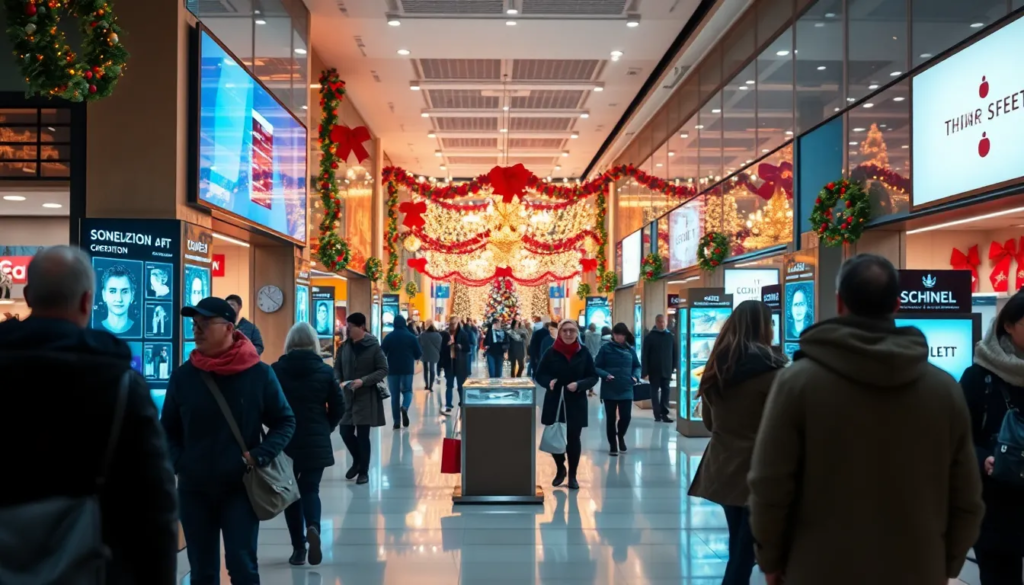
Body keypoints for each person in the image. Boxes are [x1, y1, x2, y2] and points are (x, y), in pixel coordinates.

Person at [748, 254, 984, 585]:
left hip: (818, 567)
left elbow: (769, 483)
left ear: (839, 302)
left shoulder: (798, 383)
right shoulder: (943, 389)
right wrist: (946, 564)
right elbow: (967, 498)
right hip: (917, 568)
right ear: (898, 304)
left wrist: (770, 559)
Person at [0, 246, 178, 584]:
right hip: (96, 563)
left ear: (27, 295)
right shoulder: (121, 383)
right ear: (87, 301)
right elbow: (155, 500)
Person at [162, 296, 296, 585]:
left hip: (241, 488)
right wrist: (181, 463)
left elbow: (285, 421)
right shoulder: (184, 376)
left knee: (242, 565)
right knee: (202, 571)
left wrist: (259, 455)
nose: (196, 330)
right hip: (194, 489)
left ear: (228, 327)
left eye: (205, 323)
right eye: (194, 324)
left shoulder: (259, 374)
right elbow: (167, 429)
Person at [687, 300, 786, 585]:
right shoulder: (774, 370)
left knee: (739, 546)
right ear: (764, 327)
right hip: (761, 470)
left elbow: (709, 422)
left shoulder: (717, 366)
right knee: (745, 554)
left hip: (723, 467)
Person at [960, 290, 1024, 584]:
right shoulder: (978, 376)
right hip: (997, 508)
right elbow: (958, 438)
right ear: (1008, 325)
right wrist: (983, 458)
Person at [272, 322, 344, 567]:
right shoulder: (325, 371)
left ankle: (298, 549)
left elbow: (268, 406)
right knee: (310, 488)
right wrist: (327, 427)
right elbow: (339, 406)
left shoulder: (276, 370)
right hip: (315, 438)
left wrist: (273, 430)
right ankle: (313, 524)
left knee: (291, 494)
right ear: (314, 342)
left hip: (286, 440)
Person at [534, 320, 598, 490]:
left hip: (576, 401)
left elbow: (593, 376)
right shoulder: (551, 352)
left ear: (577, 333)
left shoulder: (583, 352)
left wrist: (580, 385)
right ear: (560, 333)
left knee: (573, 438)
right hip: (555, 400)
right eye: (565, 331)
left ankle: (573, 475)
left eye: (572, 331)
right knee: (555, 436)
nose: (568, 334)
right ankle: (560, 467)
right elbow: (539, 374)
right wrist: (549, 382)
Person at [334, 313, 388, 484]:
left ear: (361, 327)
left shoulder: (373, 347)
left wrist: (363, 381)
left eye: (351, 327)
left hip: (366, 397)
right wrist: (338, 381)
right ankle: (357, 461)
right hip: (347, 396)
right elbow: (337, 367)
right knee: (345, 432)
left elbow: (383, 369)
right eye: (347, 327)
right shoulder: (344, 347)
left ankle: (363, 471)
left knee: (363, 435)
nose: (347, 330)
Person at [594, 322, 641, 456]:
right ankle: (612, 444)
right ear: (613, 335)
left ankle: (620, 436)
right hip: (610, 388)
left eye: (621, 335)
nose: (619, 337)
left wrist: (635, 377)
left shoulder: (630, 350)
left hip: (626, 387)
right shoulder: (605, 349)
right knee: (610, 418)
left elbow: (637, 366)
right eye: (616, 334)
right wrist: (605, 375)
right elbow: (596, 366)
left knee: (626, 417)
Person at [380, 315, 422, 429]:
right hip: (407, 369)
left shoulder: (389, 337)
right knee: (407, 391)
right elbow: (418, 353)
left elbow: (381, 352)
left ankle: (397, 422)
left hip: (392, 369)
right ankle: (404, 407)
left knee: (395, 395)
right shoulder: (411, 337)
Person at [641, 314, 678, 423]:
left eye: (663, 322)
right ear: (656, 323)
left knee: (666, 391)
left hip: (667, 369)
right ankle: (657, 413)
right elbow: (645, 355)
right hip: (654, 370)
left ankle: (664, 413)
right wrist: (645, 371)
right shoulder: (650, 337)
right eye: (659, 322)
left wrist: (674, 367)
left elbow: (674, 353)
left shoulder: (670, 336)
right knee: (654, 391)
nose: (662, 324)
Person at [440, 316, 471, 414]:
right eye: (451, 324)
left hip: (460, 363)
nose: (452, 326)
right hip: (449, 363)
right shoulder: (445, 334)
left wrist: (459, 346)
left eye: (454, 323)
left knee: (460, 385)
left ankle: (462, 402)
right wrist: (447, 345)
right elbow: (441, 349)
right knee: (449, 385)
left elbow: (467, 348)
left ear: (458, 323)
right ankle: (448, 405)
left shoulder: (463, 334)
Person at [99, 264, 137, 334]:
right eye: (112, 291)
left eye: (125, 292)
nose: (119, 299)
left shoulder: (139, 329)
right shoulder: (95, 331)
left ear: (132, 295)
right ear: (104, 295)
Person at [419, 323, 442, 392]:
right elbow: (440, 345)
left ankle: (426, 384)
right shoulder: (438, 335)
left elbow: (419, 342)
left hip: (424, 353)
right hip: (434, 354)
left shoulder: (423, 335)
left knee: (425, 370)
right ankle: (431, 386)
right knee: (432, 370)